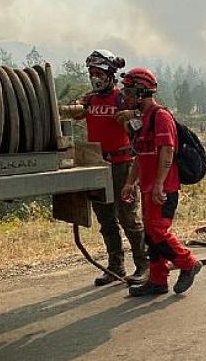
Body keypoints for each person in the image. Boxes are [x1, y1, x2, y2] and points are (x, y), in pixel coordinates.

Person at [118, 67, 203, 297]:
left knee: (158, 231)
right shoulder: (142, 119)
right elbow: (140, 155)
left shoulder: (161, 117)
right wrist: (130, 183)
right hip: (148, 187)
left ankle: (188, 263)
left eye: (128, 90)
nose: (125, 95)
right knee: (150, 234)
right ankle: (157, 280)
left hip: (164, 188)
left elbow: (167, 152)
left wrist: (158, 185)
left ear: (141, 91)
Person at [75, 50, 147, 286]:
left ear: (110, 75)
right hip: (97, 165)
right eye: (92, 73)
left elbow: (145, 116)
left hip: (121, 166)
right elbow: (75, 114)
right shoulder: (90, 100)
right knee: (106, 220)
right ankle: (115, 266)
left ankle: (143, 265)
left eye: (99, 73)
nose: (95, 78)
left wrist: (131, 115)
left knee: (127, 217)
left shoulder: (121, 98)